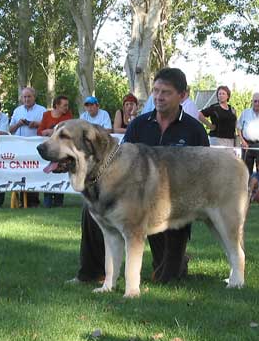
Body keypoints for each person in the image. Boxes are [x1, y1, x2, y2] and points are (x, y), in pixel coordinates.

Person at [69, 68, 209, 284]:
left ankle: (178, 261)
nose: (159, 97)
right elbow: (119, 162)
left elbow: (202, 172)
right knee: (91, 210)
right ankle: (91, 273)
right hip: (133, 202)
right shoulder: (138, 125)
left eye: (166, 92)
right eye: (156, 91)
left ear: (183, 95)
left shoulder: (195, 130)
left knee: (168, 279)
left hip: (172, 208)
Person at [9, 87, 47, 207]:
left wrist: (36, 124)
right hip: (20, 148)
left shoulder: (42, 110)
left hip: (36, 147)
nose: (26, 99)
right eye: (24, 97)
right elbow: (10, 129)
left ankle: (33, 201)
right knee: (22, 173)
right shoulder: (17, 110)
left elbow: (47, 127)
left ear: (34, 97)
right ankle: (22, 201)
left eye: (29, 96)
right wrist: (18, 124)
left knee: (34, 172)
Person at [38, 95, 73, 208]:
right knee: (48, 172)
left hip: (61, 150)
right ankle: (47, 200)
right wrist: (44, 132)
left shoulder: (68, 115)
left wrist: (52, 131)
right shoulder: (46, 115)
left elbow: (69, 130)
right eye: (64, 105)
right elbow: (39, 131)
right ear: (57, 105)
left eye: (67, 105)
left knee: (59, 172)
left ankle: (59, 201)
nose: (67, 107)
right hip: (48, 149)